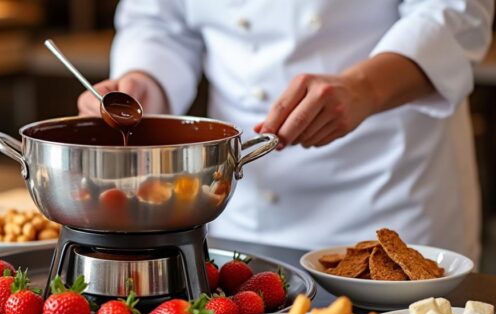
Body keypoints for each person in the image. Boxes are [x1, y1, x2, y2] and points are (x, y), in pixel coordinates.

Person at [77, 0, 493, 262]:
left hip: (389, 194)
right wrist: (144, 82)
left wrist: (365, 87)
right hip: (242, 207)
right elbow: (159, 21)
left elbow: (455, 12)